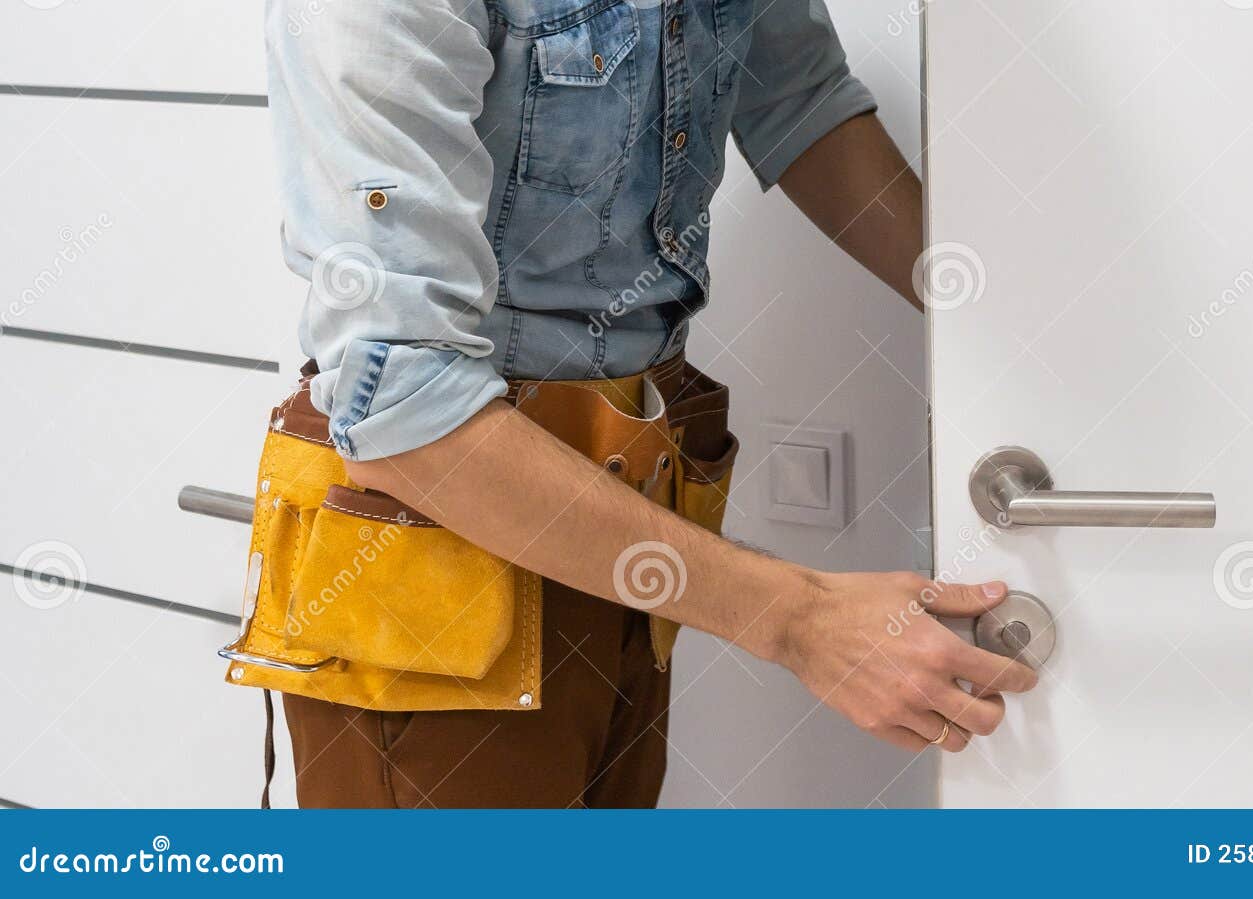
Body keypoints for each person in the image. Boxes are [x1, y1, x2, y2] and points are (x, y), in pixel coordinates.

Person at [231, 0, 1037, 809]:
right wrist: (805, 620)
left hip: (623, 531)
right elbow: (405, 411)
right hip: (443, 551)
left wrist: (1014, 330)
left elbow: (798, 98)